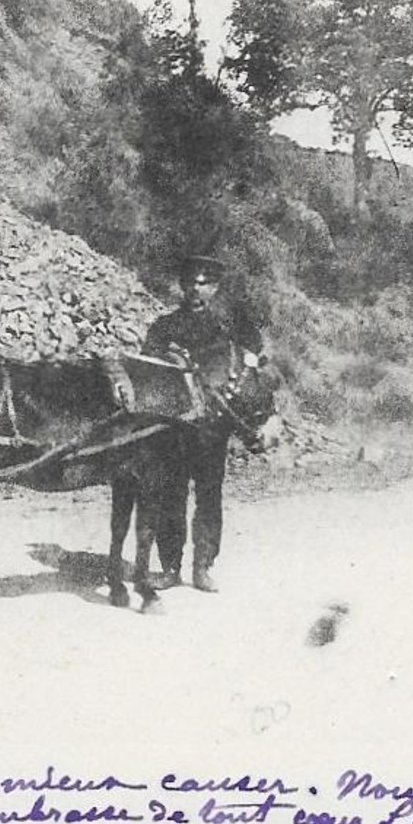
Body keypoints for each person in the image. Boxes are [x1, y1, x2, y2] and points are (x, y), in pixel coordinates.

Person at [141, 254, 262, 593]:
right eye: (191, 281)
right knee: (171, 494)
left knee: (209, 495)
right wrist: (170, 358)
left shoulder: (229, 324)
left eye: (204, 282)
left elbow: (253, 353)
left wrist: (248, 361)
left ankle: (203, 566)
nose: (196, 288)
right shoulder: (164, 326)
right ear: (182, 285)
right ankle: (169, 567)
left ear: (215, 287)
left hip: (213, 427)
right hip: (174, 426)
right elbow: (149, 366)